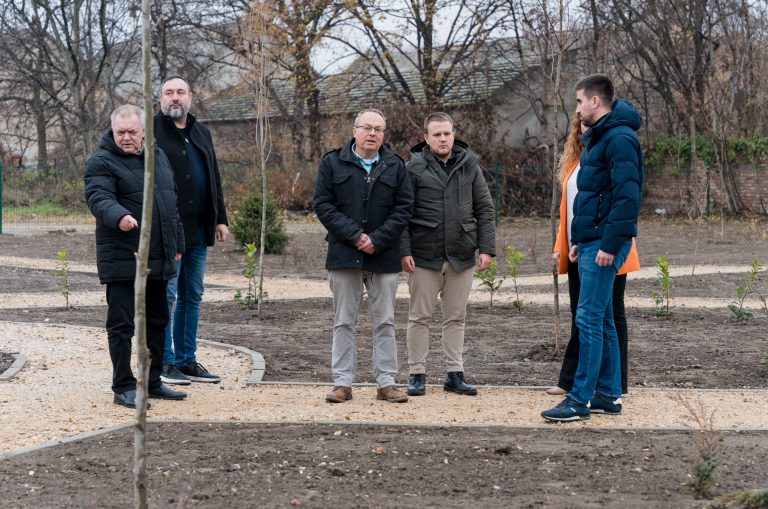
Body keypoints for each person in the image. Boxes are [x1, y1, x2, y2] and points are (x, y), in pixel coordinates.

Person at [542, 74, 643, 421]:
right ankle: (609, 395)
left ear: (595, 102)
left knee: (588, 318)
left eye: (579, 101)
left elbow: (627, 198)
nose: (577, 108)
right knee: (602, 321)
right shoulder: (599, 139)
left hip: (604, 244)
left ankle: (579, 399)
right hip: (590, 242)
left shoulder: (619, 139)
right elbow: (592, 197)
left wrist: (610, 244)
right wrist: (578, 241)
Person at [84, 105, 187, 408]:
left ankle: (152, 381)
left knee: (157, 321)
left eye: (132, 132)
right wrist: (120, 216)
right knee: (122, 325)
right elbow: (98, 196)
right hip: (123, 256)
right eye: (120, 132)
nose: (126, 138)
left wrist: (177, 241)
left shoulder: (158, 157)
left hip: (159, 256)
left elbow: (171, 202)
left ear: (144, 131)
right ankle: (123, 386)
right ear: (112, 131)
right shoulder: (101, 162)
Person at [314, 108, 413, 404]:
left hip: (383, 256)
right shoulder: (332, 162)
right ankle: (342, 384)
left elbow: (404, 208)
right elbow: (323, 204)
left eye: (378, 129)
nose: (372, 134)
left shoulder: (396, 165)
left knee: (385, 322)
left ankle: (387, 383)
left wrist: (378, 239)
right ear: (355, 130)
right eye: (367, 128)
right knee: (344, 321)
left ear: (384, 134)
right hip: (344, 254)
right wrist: (356, 236)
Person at [400, 112, 496, 397]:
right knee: (420, 318)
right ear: (426, 138)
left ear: (454, 134)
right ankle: (416, 373)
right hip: (423, 257)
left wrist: (487, 248)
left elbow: (485, 209)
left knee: (456, 317)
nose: (443, 139)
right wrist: (404, 251)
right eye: (437, 134)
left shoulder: (470, 166)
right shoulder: (413, 169)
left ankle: (455, 374)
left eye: (447, 133)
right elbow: (402, 213)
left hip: (461, 255)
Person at [155, 76, 229, 385]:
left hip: (199, 229)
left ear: (190, 97)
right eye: (169, 93)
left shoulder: (202, 132)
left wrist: (220, 218)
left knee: (192, 295)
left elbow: (213, 176)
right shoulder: (152, 132)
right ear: (160, 99)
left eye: (180, 92)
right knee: (167, 295)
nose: (175, 98)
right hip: (169, 230)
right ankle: (164, 361)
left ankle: (186, 360)